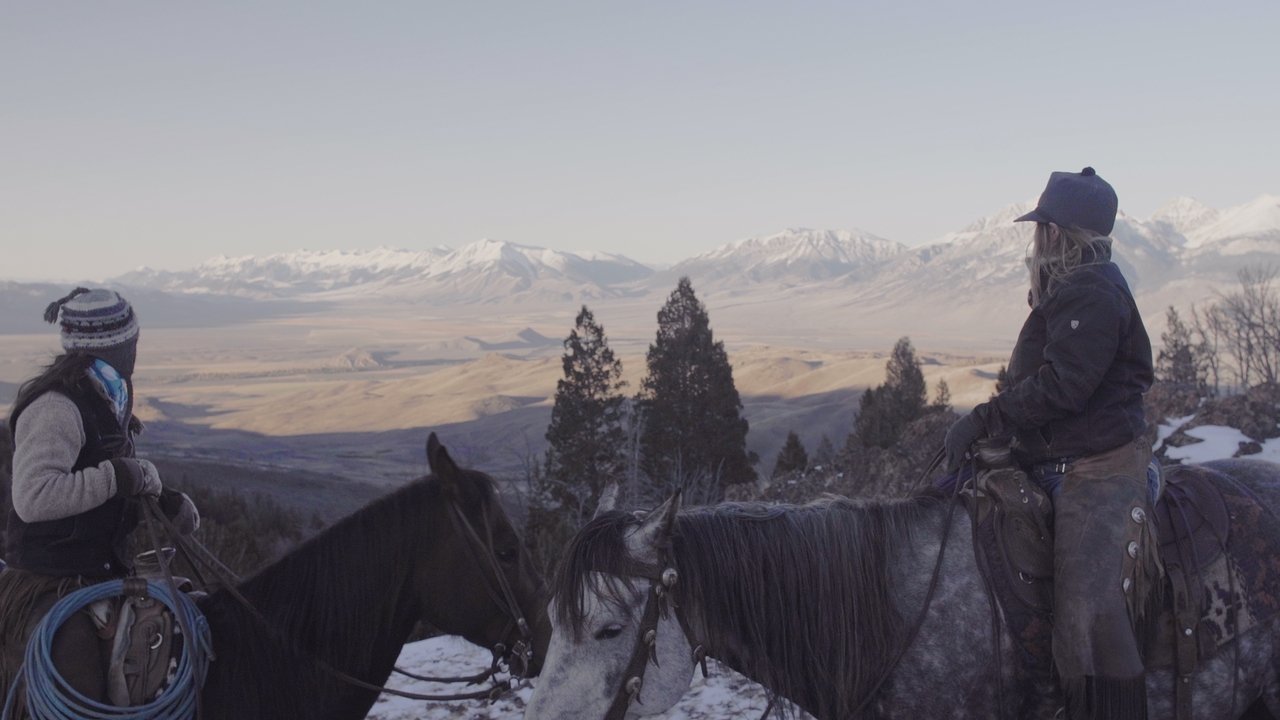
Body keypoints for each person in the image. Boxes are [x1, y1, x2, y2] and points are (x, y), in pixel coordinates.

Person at [944, 168, 1158, 720]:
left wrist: (989, 416)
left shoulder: (1091, 287)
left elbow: (1066, 386)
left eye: (1042, 229)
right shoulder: (1077, 286)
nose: (1036, 241)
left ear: (1057, 235)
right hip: (1056, 456)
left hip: (1097, 469)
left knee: (1090, 615)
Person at [0, 288, 199, 709]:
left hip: (98, 569)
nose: (134, 352)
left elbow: (110, 480)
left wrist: (160, 500)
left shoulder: (108, 393)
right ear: (114, 345)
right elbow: (33, 497)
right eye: (131, 343)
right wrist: (115, 478)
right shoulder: (56, 406)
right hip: (47, 577)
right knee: (77, 672)